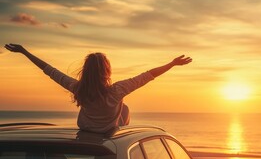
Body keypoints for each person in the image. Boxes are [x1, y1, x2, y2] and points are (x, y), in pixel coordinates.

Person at [4, 43, 192, 133]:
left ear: (86, 71)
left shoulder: (78, 89)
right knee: (125, 108)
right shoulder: (117, 91)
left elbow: (49, 70)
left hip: (85, 131)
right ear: (107, 71)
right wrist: (172, 63)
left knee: (124, 107)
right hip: (111, 132)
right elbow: (148, 76)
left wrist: (24, 51)